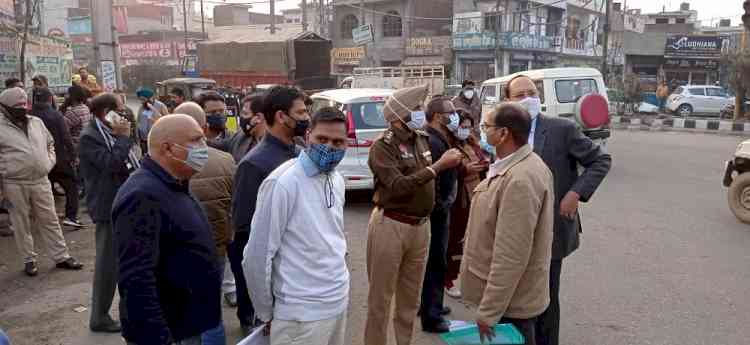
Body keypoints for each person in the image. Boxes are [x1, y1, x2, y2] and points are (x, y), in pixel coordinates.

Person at [504, 75, 612, 345]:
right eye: (519, 95)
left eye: (532, 92)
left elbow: (600, 160)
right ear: (508, 101)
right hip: (513, 231)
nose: (528, 98)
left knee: (545, 299)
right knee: (510, 298)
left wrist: (575, 193)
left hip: (550, 230)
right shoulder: (503, 132)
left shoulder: (561, 129)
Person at [364, 85, 462, 345]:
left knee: (409, 300)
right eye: (417, 108)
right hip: (391, 224)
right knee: (380, 301)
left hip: (421, 226)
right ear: (401, 114)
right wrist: (437, 168)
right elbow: (397, 185)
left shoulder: (420, 139)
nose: (421, 112)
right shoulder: (383, 147)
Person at [244, 107, 350, 345]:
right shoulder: (282, 183)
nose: (330, 147)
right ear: (308, 135)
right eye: (322, 139)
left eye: (338, 141)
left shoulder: (337, 179)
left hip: (337, 302)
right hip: (299, 316)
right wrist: (266, 312)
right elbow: (256, 257)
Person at [112, 114, 222, 345]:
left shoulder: (174, 183)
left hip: (189, 323)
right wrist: (159, 338)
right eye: (196, 141)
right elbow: (136, 278)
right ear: (168, 149)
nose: (204, 148)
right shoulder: (142, 196)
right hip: (171, 331)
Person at [460, 102, 555, 345]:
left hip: (511, 305)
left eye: (486, 126)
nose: (483, 131)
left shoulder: (520, 179)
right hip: (510, 299)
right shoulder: (516, 165)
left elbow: (511, 255)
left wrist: (489, 311)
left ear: (503, 134)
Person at [230, 85, 309, 335]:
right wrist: (260, 302)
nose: (306, 117)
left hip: (300, 275)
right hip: (278, 282)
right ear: (281, 116)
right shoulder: (254, 164)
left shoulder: (299, 154)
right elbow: (246, 233)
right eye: (301, 112)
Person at [0, 87, 84, 276]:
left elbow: (50, 144)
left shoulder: (36, 122)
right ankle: (29, 259)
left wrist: (48, 162)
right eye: (17, 107)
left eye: (24, 106)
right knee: (21, 223)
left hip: (40, 179)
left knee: (50, 219)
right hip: (14, 182)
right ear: (5, 108)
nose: (22, 110)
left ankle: (61, 256)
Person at [79, 93, 141, 333]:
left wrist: (125, 135)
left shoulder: (109, 132)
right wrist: (123, 139)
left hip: (124, 200)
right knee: (108, 265)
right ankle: (99, 317)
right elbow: (112, 163)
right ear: (106, 113)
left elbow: (129, 157)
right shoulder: (89, 137)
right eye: (120, 110)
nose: (124, 115)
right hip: (108, 206)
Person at [174, 102, 234, 345]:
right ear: (204, 126)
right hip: (216, 248)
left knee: (185, 314)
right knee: (211, 312)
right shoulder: (226, 160)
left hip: (178, 255)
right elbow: (234, 207)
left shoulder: (166, 163)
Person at [419, 96, 462, 333]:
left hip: (441, 207)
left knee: (435, 260)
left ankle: (431, 304)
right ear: (437, 116)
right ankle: (431, 315)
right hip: (437, 210)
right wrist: (440, 205)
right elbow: (431, 177)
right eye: (451, 111)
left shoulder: (439, 137)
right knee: (436, 261)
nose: (454, 115)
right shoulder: (432, 141)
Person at [445, 112, 489, 299]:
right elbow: (445, 172)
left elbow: (482, 159)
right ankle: (449, 279)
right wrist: (464, 170)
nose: (466, 130)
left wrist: (485, 164)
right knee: (455, 240)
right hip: (458, 200)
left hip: (476, 195)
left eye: (469, 126)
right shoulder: (448, 145)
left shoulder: (472, 142)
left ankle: (471, 278)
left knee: (474, 240)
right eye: (463, 126)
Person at [29, 87, 82, 228]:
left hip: (38, 160)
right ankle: (71, 216)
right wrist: (73, 155)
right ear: (50, 98)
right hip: (58, 158)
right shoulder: (55, 115)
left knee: (46, 189)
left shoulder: (29, 115)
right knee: (71, 186)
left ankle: (45, 218)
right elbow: (66, 137)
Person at [212, 92, 267, 163]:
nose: (241, 117)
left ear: (258, 118)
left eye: (245, 113)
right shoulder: (241, 136)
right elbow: (222, 145)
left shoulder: (272, 147)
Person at [136, 87, 169, 154]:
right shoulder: (142, 107)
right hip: (144, 139)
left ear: (150, 98)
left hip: (156, 139)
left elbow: (167, 121)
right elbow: (138, 121)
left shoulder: (161, 106)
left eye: (143, 99)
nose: (142, 101)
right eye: (140, 99)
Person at [62, 84, 92, 152]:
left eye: (67, 94)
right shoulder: (85, 107)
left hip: (75, 145)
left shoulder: (72, 112)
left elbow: (63, 130)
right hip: (85, 143)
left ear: (72, 96)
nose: (65, 96)